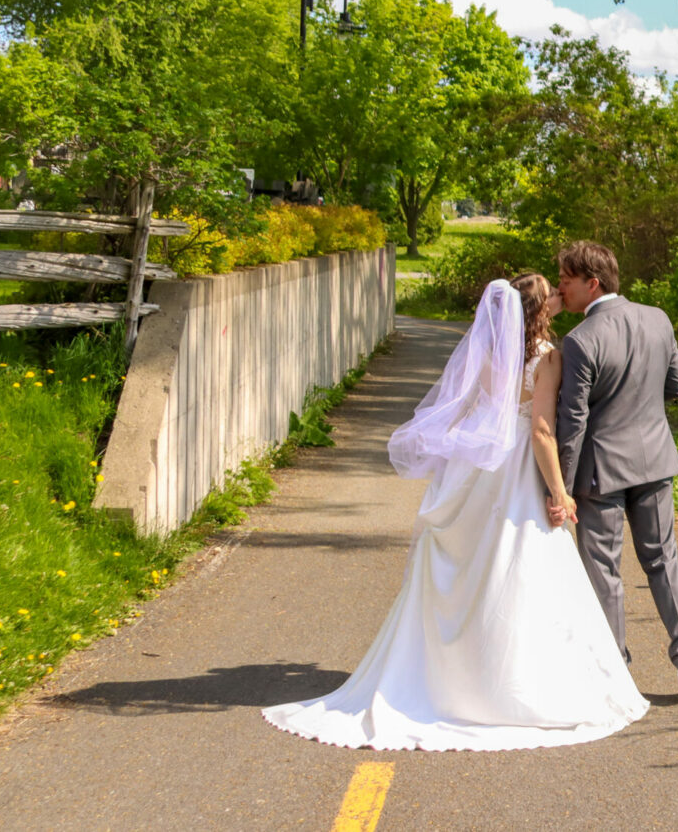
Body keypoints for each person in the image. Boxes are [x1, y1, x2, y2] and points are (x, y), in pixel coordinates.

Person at [263, 275, 649, 751]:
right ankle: (509, 684)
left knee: (469, 570)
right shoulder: (547, 357)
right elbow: (543, 432)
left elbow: (463, 410)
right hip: (517, 473)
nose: (555, 298)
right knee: (516, 570)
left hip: (477, 470)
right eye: (549, 293)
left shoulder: (485, 352)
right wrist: (559, 493)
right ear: (536, 310)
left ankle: (450, 678)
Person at [552, 241, 678, 695]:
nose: (561, 288)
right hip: (654, 460)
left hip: (599, 470)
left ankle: (615, 669)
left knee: (604, 569)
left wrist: (560, 489)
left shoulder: (580, 340)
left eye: (567, 280)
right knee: (664, 560)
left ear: (593, 283)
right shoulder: (658, 318)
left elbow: (573, 421)